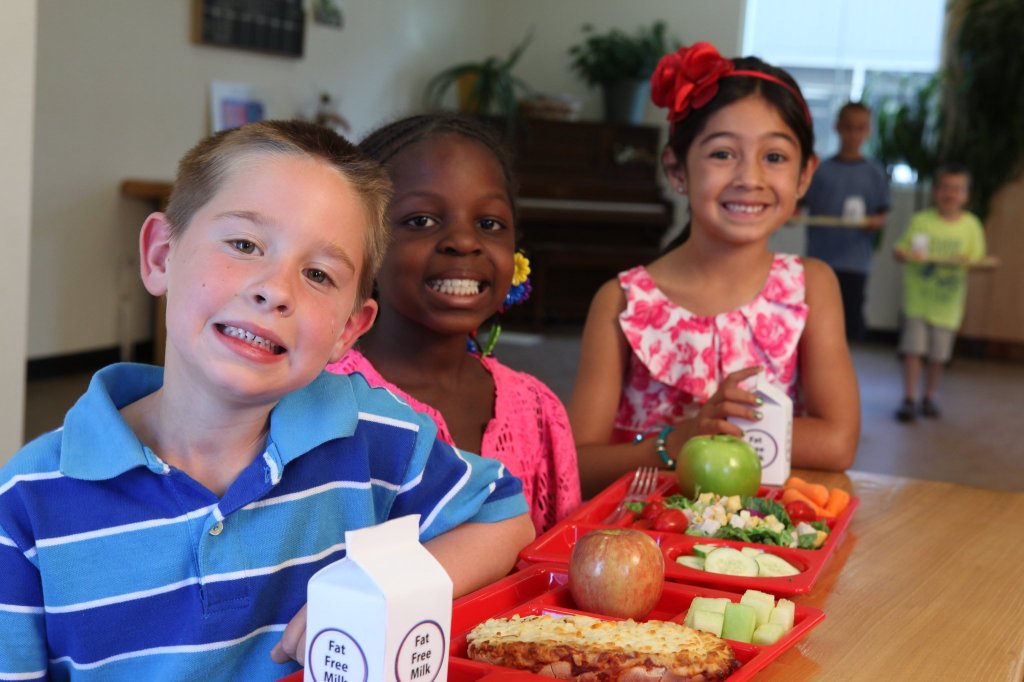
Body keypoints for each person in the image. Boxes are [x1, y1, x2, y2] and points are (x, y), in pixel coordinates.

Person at [0, 121, 533, 680]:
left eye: (319, 274)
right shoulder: (28, 503)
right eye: (244, 245)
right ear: (161, 254)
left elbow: (505, 516)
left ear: (348, 330)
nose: (275, 290)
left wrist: (380, 587)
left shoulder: (369, 434)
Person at [569, 42, 859, 499]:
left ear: (804, 175)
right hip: (647, 531)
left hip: (760, 537)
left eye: (776, 157)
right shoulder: (622, 301)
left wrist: (720, 429)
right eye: (723, 154)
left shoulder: (811, 286)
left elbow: (839, 442)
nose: (750, 177)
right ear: (677, 169)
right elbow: (578, 465)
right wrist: (677, 440)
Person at [326, 113, 581, 533]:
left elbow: (560, 556)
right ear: (363, 242)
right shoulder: (326, 404)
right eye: (421, 220)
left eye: (489, 224)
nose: (464, 242)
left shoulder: (537, 410)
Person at [893, 162, 987, 422]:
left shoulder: (971, 225)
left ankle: (929, 396)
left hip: (948, 305)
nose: (950, 194)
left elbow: (977, 258)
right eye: (945, 188)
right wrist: (902, 252)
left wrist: (964, 260)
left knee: (938, 356)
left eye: (957, 189)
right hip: (918, 302)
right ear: (935, 191)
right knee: (913, 350)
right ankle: (909, 397)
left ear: (965, 195)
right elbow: (901, 249)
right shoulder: (921, 221)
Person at [802, 101, 891, 341]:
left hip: (855, 261)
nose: (854, 134)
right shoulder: (821, 170)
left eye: (860, 128)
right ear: (837, 128)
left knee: (849, 319)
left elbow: (883, 211)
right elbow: (800, 206)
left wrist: (876, 221)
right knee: (815, 315)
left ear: (868, 131)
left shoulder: (874, 172)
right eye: (849, 127)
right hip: (821, 257)